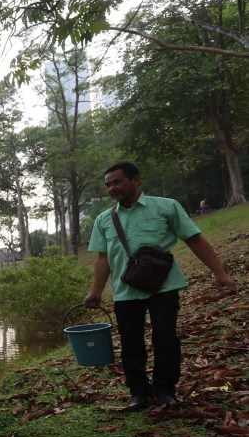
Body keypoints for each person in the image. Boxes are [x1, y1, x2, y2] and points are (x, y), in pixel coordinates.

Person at [84, 162, 237, 411]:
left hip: (163, 286)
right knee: (131, 343)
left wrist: (220, 273)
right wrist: (95, 292)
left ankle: (165, 391)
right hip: (125, 291)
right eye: (108, 185)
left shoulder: (167, 207)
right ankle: (138, 394)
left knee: (165, 337)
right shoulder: (104, 219)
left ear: (136, 180)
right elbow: (103, 259)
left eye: (117, 182)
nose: (112, 188)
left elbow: (194, 240)